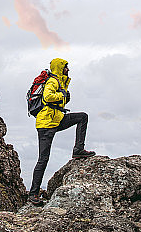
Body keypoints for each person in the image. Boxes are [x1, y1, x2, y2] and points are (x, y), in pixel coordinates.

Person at [28, 58, 95, 206]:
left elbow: (57, 101)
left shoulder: (58, 81)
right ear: (60, 67)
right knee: (43, 159)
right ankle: (33, 194)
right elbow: (48, 97)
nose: (68, 70)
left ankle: (78, 149)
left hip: (56, 119)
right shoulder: (52, 81)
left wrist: (64, 97)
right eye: (66, 67)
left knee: (82, 117)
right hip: (46, 124)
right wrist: (63, 95)